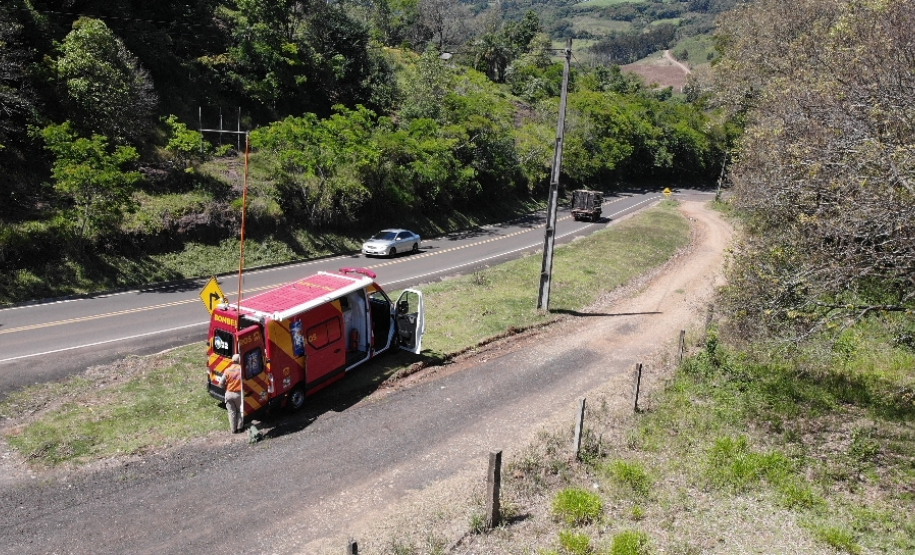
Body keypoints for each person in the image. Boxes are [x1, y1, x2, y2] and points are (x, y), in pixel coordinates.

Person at [218, 354, 243, 433]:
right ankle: (239, 428)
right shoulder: (242, 370)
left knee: (231, 412)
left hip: (229, 394)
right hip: (238, 394)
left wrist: (226, 389)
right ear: (239, 360)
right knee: (240, 411)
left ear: (232, 360)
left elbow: (221, 383)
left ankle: (233, 430)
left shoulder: (227, 370)